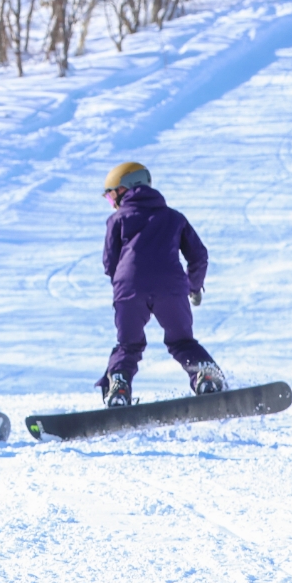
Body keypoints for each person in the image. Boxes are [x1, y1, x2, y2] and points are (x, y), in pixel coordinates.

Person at [97, 162, 224, 406]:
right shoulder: (174, 218)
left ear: (125, 189)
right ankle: (204, 375)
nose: (110, 201)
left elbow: (109, 263)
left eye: (111, 194)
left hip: (129, 288)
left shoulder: (117, 219)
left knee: (128, 346)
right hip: (172, 288)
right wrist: (194, 287)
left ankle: (119, 387)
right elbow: (198, 256)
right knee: (182, 341)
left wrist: (125, 288)